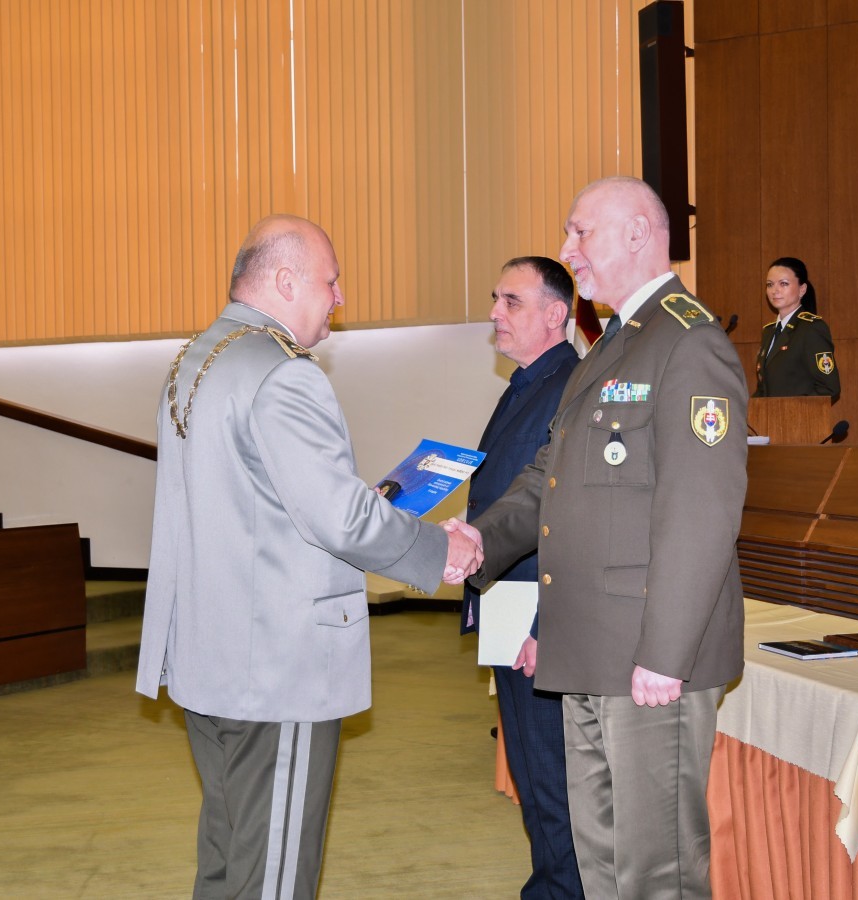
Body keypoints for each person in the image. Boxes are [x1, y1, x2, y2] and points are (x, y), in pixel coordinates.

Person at [135, 214, 481, 900]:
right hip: (277, 669)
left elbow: (257, 502)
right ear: (286, 281)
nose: (340, 298)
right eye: (331, 281)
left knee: (229, 861)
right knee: (273, 877)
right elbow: (339, 518)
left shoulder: (196, 359)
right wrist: (439, 548)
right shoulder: (282, 373)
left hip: (209, 659)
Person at [451, 176, 748, 899]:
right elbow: (548, 478)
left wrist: (666, 654)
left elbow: (701, 510)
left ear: (639, 233)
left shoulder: (688, 341)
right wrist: (477, 541)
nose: (567, 248)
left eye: (580, 231)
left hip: (646, 655)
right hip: (587, 648)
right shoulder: (615, 344)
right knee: (601, 862)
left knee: (656, 871)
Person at [461, 256, 583, 899]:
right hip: (509, 602)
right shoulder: (528, 383)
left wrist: (546, 624)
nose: (494, 313)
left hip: (538, 610)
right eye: (495, 298)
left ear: (555, 314)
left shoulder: (570, 387)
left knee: (554, 780)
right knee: (535, 777)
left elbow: (572, 519)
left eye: (511, 301)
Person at [753, 256, 840, 399]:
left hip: (799, 414)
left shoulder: (811, 328)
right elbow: (763, 390)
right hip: (770, 413)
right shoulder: (769, 332)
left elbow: (829, 388)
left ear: (802, 289)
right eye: (770, 285)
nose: (775, 290)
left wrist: (793, 410)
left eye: (783, 284)